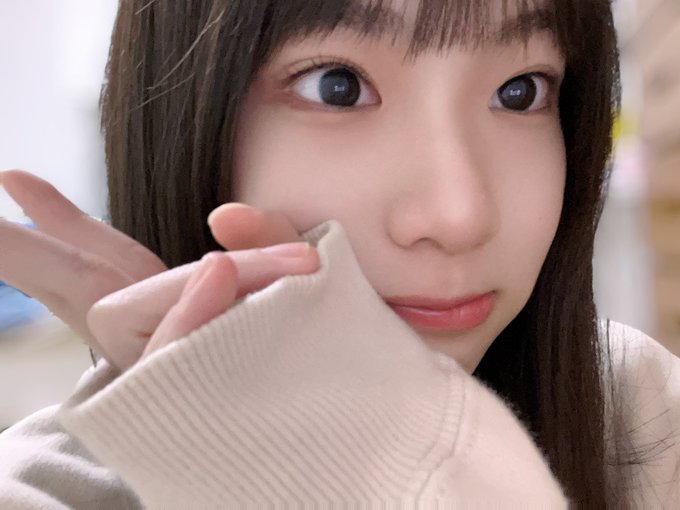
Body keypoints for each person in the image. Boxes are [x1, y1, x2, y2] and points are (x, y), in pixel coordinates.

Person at [0, 0, 678, 507]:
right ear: (181, 115)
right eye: (338, 86)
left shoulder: (642, 412)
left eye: (520, 91)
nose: (460, 217)